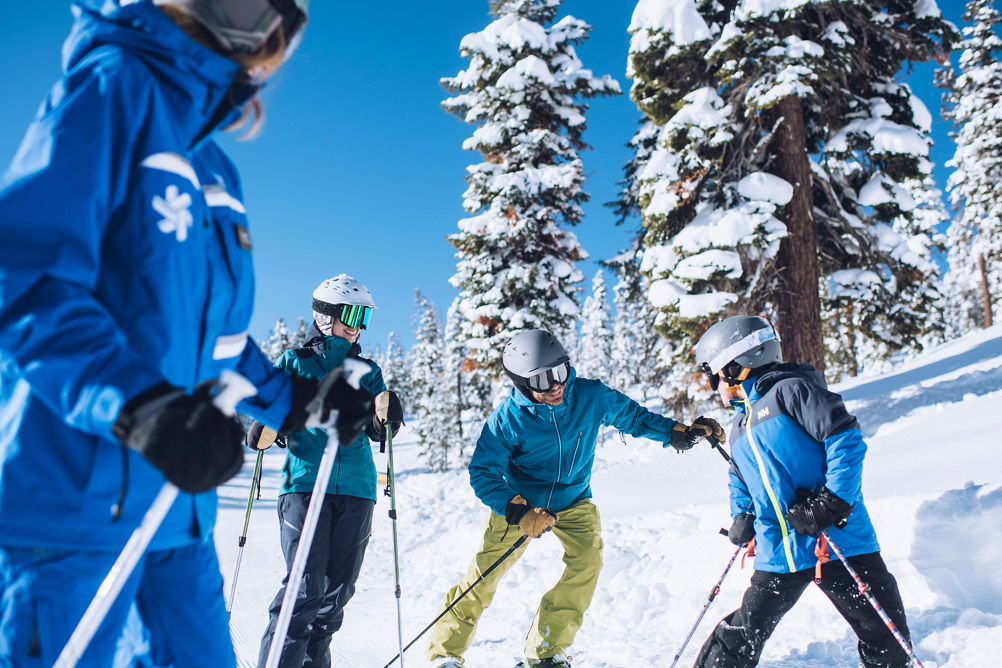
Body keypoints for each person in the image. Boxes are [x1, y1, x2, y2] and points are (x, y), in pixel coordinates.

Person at [0, 2, 374, 667]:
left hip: (174, 510)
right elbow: (26, 279)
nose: (264, 40)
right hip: (72, 502)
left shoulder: (213, 166)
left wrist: (296, 399)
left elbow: (216, 339)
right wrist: (142, 406)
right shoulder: (111, 87)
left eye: (282, 28)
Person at [426, 329, 724, 668]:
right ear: (521, 383)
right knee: (485, 575)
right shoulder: (507, 420)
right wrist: (518, 510)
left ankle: (546, 651)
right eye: (542, 380)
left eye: (560, 371)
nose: (556, 385)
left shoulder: (589, 396)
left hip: (574, 498)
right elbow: (483, 472)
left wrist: (676, 433)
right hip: (522, 504)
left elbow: (634, 418)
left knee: (587, 562)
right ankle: (444, 654)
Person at [691, 315, 913, 668]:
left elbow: (846, 440)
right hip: (780, 549)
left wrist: (833, 503)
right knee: (741, 634)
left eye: (714, 376)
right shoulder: (740, 426)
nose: (714, 386)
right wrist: (743, 515)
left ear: (736, 365)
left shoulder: (792, 392)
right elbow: (740, 477)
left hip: (836, 539)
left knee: (882, 633)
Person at [251, 275, 404, 668]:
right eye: (351, 315)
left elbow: (377, 430)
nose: (358, 326)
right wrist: (265, 427)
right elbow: (269, 415)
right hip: (304, 486)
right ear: (325, 316)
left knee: (336, 596)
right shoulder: (295, 363)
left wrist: (386, 416)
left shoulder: (368, 371)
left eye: (364, 317)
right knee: (304, 591)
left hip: (357, 489)